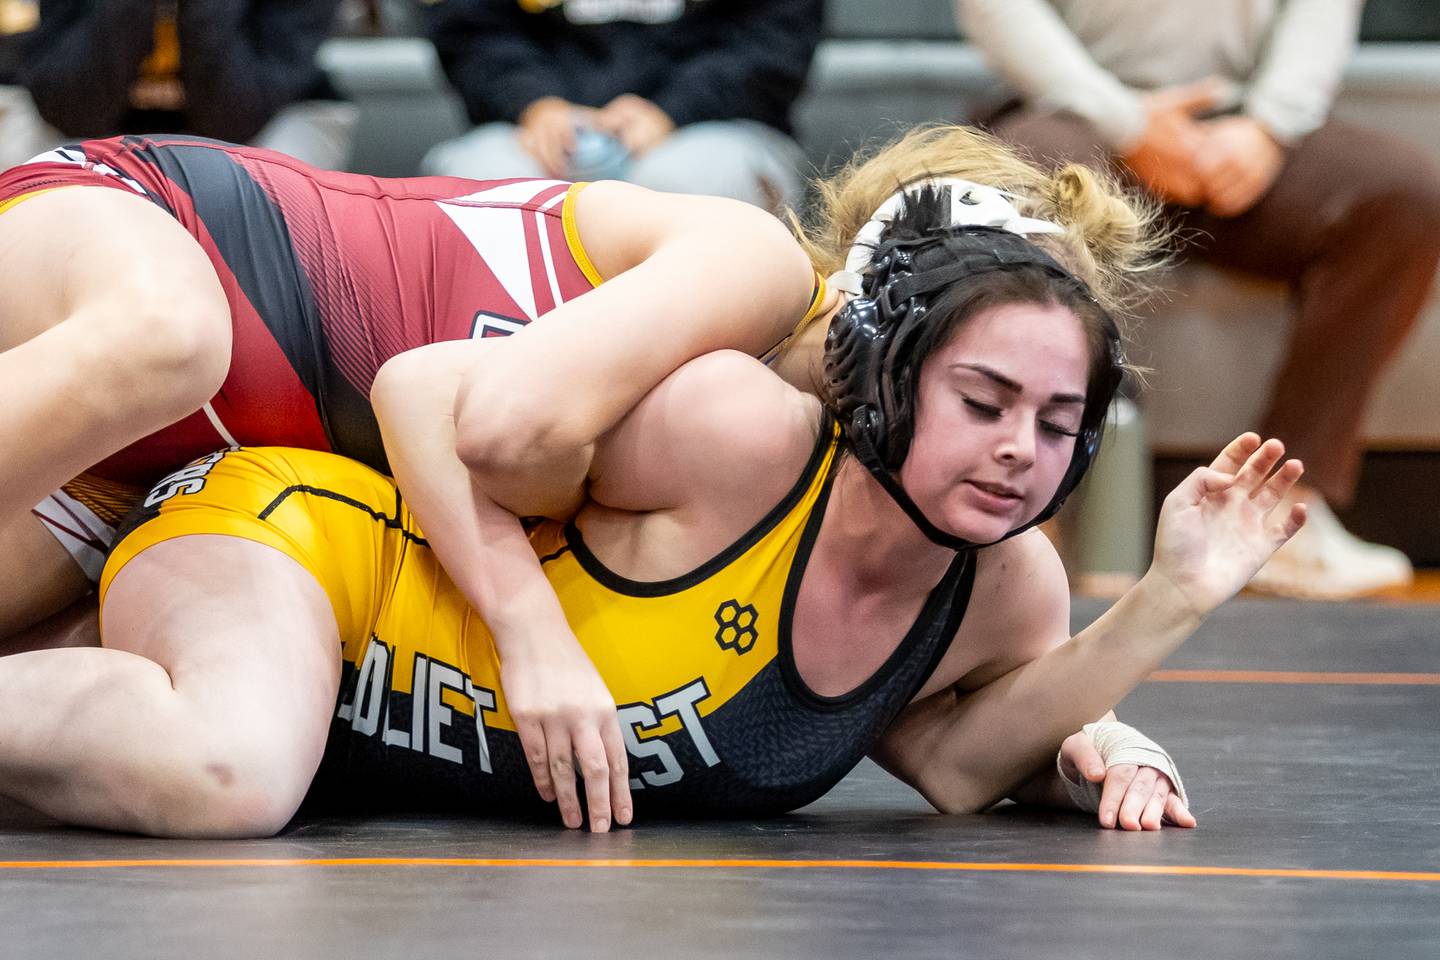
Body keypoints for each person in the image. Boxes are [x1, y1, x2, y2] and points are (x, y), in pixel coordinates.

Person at [0, 174, 1304, 837]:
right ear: (891, 374)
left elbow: (961, 768)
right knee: (228, 776)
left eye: (1058, 423)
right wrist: (530, 632)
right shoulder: (730, 428)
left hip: (288, 578)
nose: (1022, 451)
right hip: (295, 522)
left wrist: (1166, 608)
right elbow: (434, 390)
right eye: (984, 401)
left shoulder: (1004, 590)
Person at [956, 0, 1440, 599]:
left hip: (1240, 125)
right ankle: (1028, 527)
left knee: (1403, 199)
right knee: (1026, 183)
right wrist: (1126, 122)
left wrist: (1268, 125)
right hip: (1072, 113)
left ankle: (1280, 512)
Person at [420, 0, 822, 212]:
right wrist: (535, 103)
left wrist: (671, 111)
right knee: (488, 194)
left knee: (681, 197)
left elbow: (773, 43)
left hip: (717, 123)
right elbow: (470, 31)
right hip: (532, 125)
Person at [14, 0, 355, 170]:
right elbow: (68, 112)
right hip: (97, 124)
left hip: (270, 118)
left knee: (260, 197)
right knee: (28, 179)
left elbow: (236, 118)